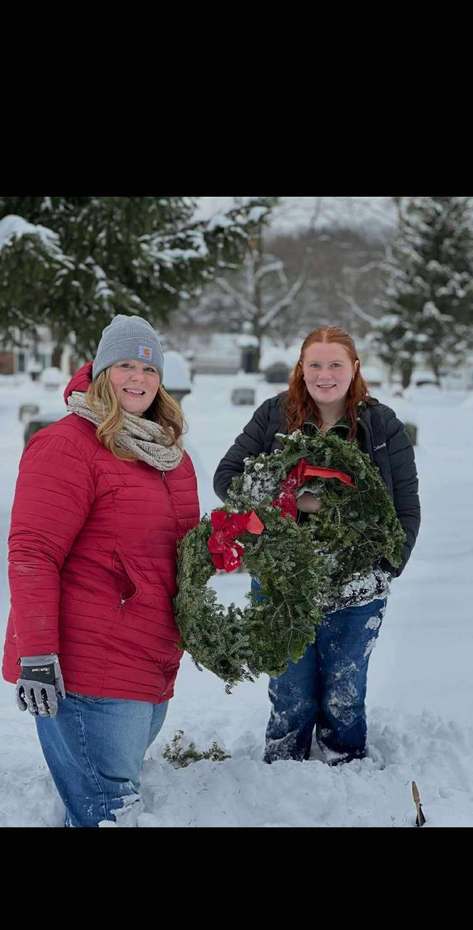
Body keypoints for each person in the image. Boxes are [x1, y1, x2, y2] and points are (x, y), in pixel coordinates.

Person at [2, 315, 200, 826]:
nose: (138, 378)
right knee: (109, 813)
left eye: (148, 369)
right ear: (101, 372)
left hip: (150, 661)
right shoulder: (68, 445)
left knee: (104, 805)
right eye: (124, 366)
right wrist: (38, 653)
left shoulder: (169, 453)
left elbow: (174, 549)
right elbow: (32, 553)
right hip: (87, 667)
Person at [214, 326, 420, 766]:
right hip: (283, 581)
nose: (325, 375)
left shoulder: (381, 426)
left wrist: (387, 567)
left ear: (354, 369)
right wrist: (296, 499)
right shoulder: (275, 416)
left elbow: (405, 507)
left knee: (344, 694)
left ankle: (343, 768)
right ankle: (285, 773)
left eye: (335, 365)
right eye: (315, 365)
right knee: (290, 692)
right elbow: (227, 477)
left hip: (358, 583)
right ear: (301, 369)